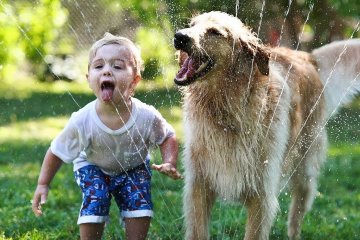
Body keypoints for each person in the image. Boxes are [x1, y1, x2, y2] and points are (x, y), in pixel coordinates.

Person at [31, 32, 182, 240]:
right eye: (99, 66)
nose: (107, 71)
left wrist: (169, 161)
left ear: (134, 81)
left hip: (133, 166)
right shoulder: (82, 120)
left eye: (117, 66)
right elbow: (56, 151)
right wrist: (42, 184)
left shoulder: (146, 116)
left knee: (141, 205)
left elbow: (167, 137)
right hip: (93, 165)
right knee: (97, 197)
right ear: (89, 79)